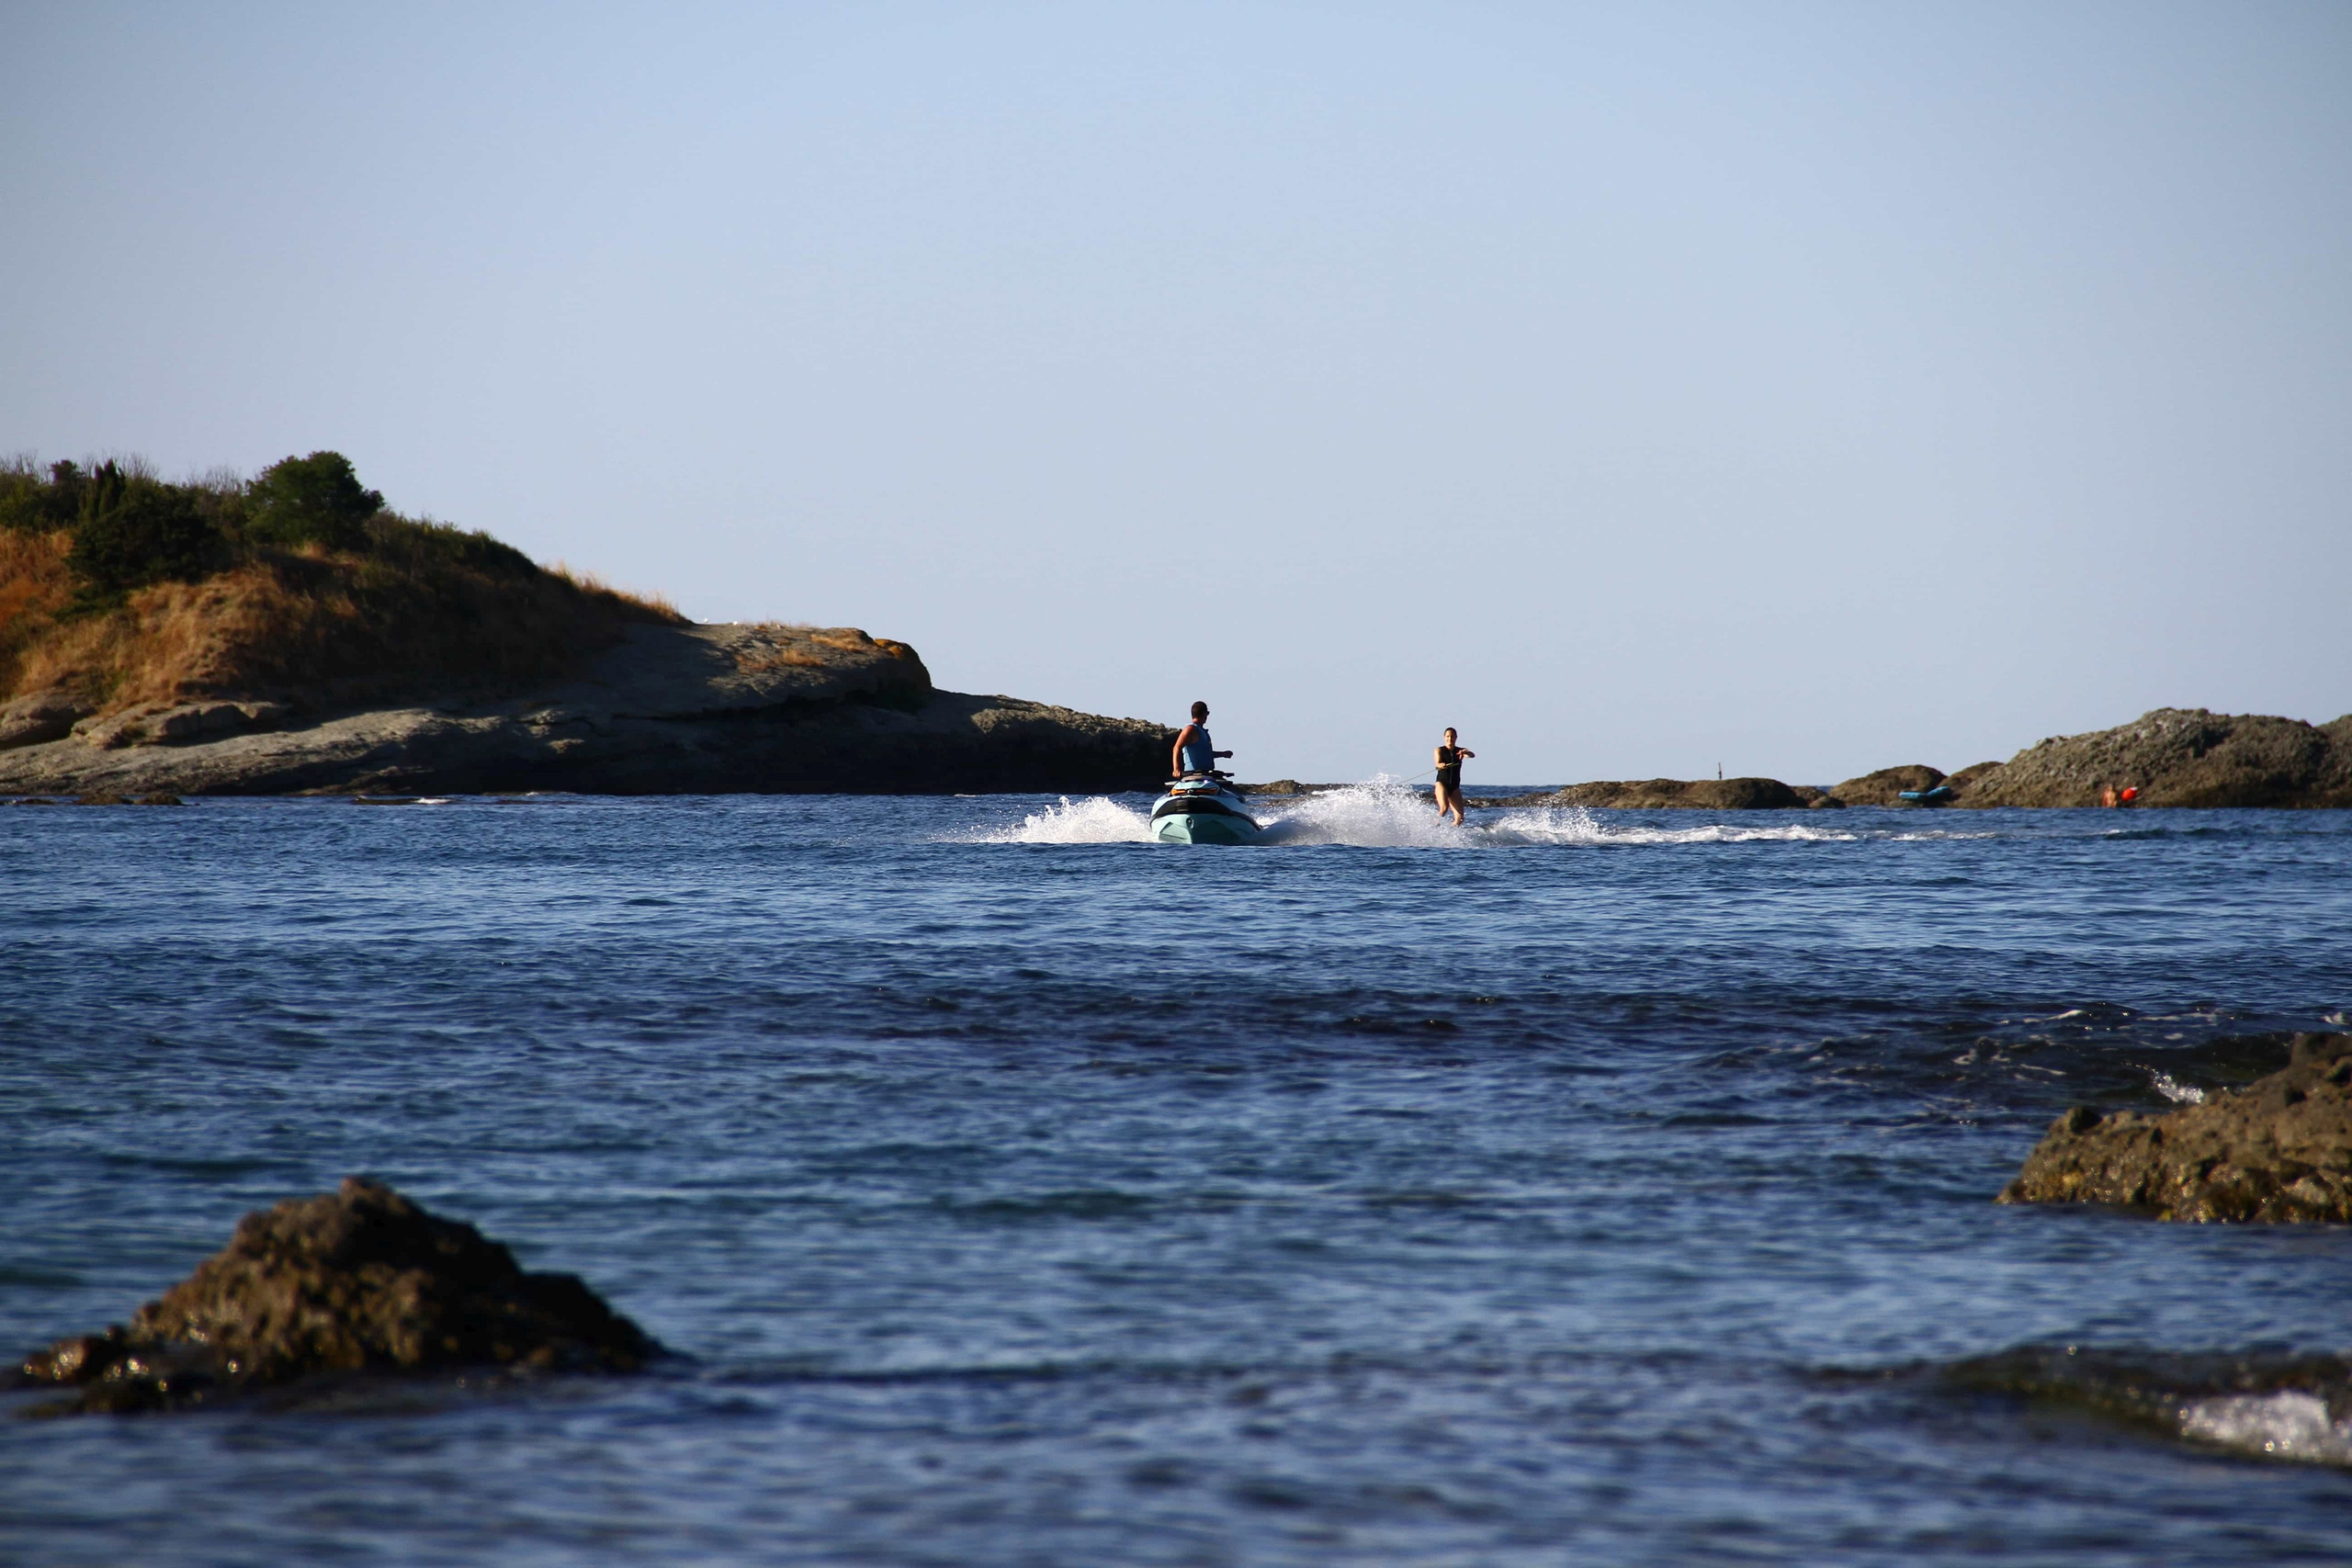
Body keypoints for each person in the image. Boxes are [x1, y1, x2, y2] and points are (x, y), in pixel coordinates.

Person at [1171, 701, 1231, 778]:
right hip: (1193, 775)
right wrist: (1176, 769)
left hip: (1207, 775)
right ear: (1204, 714)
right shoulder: (1190, 729)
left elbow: (1204, 754)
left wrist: (1222, 754)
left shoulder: (1202, 731)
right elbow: (1177, 747)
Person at [1433, 728, 1475, 826]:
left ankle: (1450, 835)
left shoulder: (1460, 751)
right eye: (1448, 736)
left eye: (1452, 736)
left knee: (1460, 818)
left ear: (1456, 737)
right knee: (1444, 808)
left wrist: (1466, 753)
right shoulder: (1439, 750)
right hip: (1442, 783)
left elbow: (1472, 755)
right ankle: (1432, 828)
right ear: (1444, 737)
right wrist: (1441, 765)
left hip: (1454, 786)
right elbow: (1437, 763)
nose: (1450, 738)